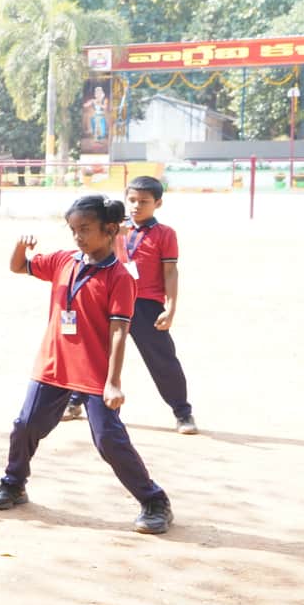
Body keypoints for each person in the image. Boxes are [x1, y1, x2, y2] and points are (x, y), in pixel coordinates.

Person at [0, 194, 174, 534]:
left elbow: (119, 330)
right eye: (73, 229)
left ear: (110, 229)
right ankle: (13, 483)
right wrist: (19, 247)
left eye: (85, 229)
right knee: (25, 425)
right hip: (54, 365)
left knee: (108, 440)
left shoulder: (120, 277)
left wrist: (113, 381)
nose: (78, 237)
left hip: (95, 373)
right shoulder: (63, 261)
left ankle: (154, 500)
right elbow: (18, 266)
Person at [64, 177, 196, 434]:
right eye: (132, 200)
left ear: (158, 203)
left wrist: (170, 307)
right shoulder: (113, 227)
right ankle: (75, 401)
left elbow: (170, 272)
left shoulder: (164, 234)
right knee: (93, 353)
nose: (136, 206)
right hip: (110, 298)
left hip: (145, 303)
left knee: (162, 359)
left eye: (144, 201)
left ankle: (183, 413)